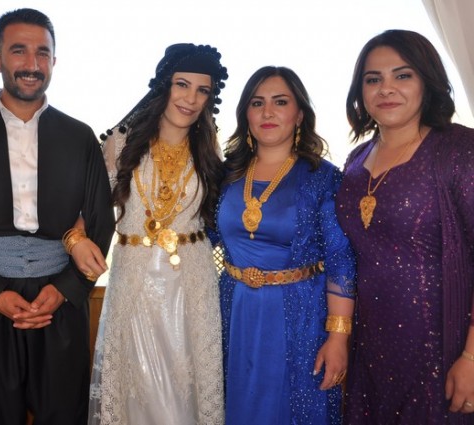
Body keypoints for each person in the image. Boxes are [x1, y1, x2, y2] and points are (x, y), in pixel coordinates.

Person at [0, 8, 114, 425]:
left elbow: (100, 220)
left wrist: (66, 288)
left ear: (54, 61)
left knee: (65, 415)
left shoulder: (80, 137)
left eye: (42, 53)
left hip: (61, 300)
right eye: (19, 51)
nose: (32, 64)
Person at [74, 43, 228, 424]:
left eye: (202, 90)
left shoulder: (209, 150)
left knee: (185, 397)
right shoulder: (120, 143)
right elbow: (87, 210)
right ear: (164, 86)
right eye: (182, 85)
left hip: (192, 288)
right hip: (135, 285)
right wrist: (75, 240)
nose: (191, 99)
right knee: (136, 393)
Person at [336, 29, 474, 424]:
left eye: (402, 75)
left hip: (441, 348)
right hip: (369, 348)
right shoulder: (355, 161)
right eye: (373, 79)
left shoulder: (458, 150)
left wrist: (471, 357)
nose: (386, 89)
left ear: (427, 81)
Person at [217, 66, 356, 424]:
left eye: (280, 102)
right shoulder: (226, 174)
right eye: (257, 103)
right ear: (245, 114)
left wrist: (338, 337)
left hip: (300, 314)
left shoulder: (322, 177)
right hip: (232, 310)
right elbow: (202, 238)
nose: (267, 112)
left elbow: (340, 260)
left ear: (300, 115)